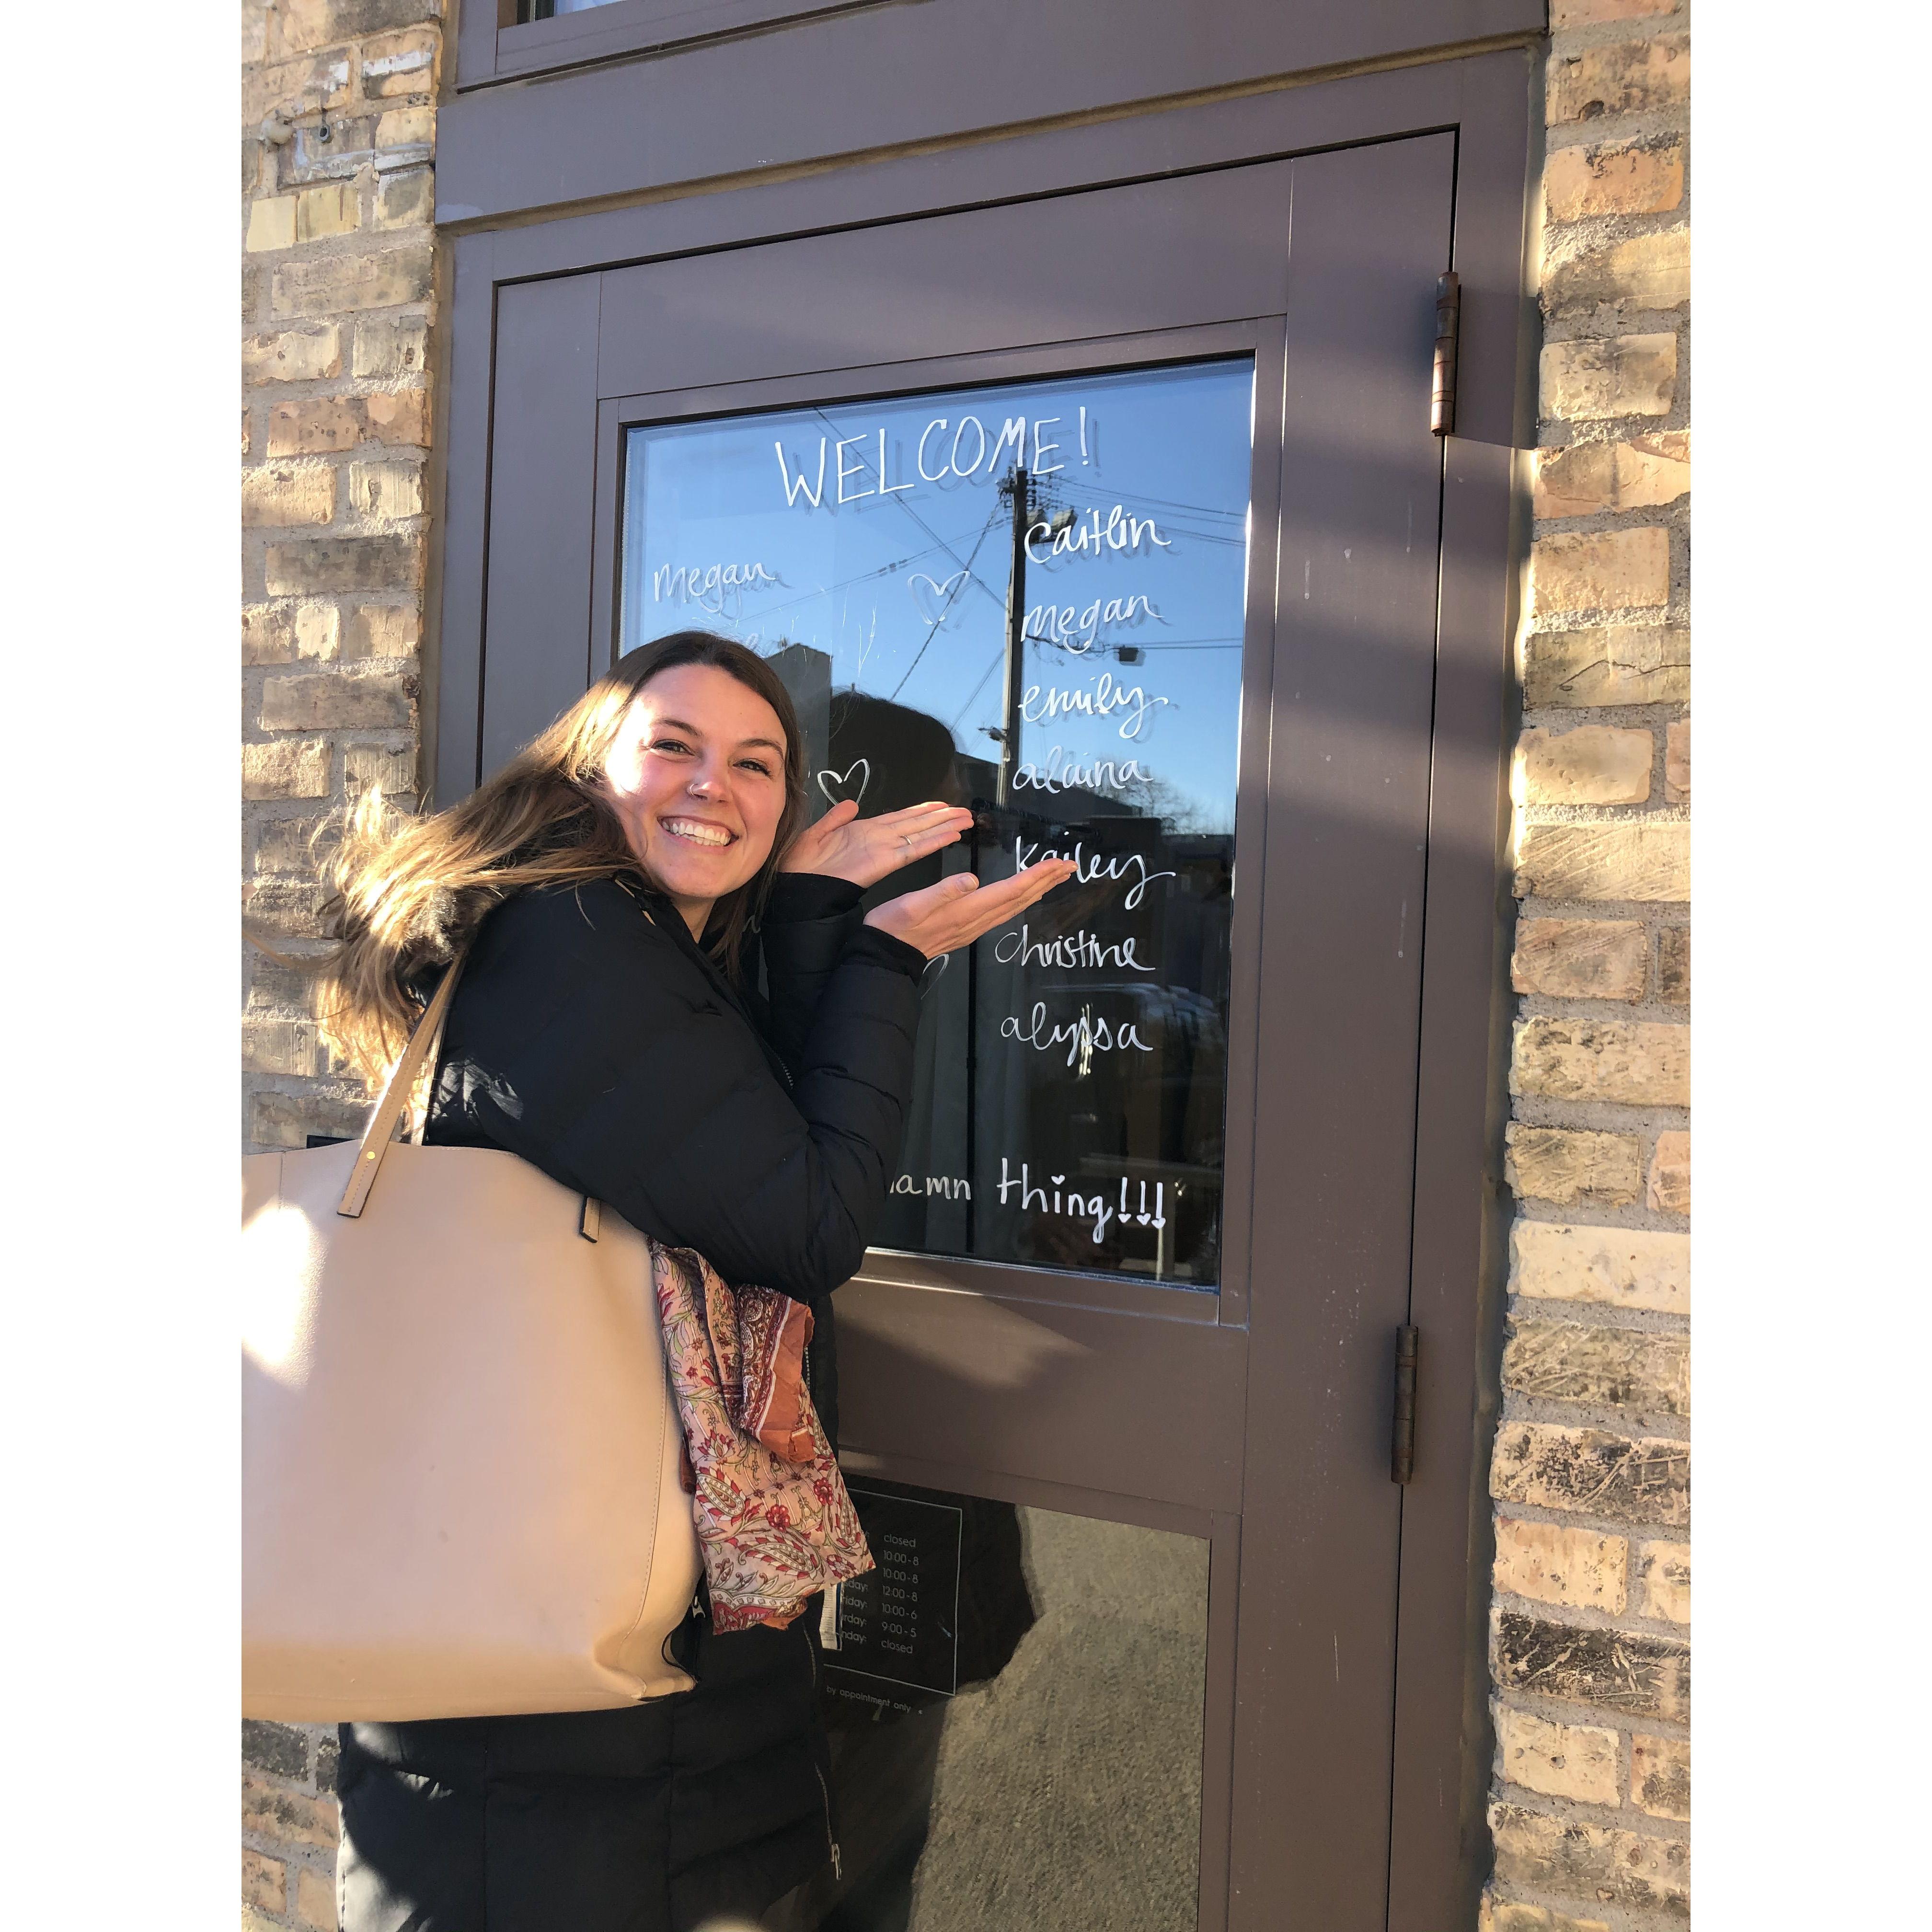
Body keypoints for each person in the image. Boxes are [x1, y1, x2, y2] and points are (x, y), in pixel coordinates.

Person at [311, 630, 1075, 1932]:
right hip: (562, 1761)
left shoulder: (620, 945)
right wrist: (890, 962)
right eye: (673, 746)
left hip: (566, 1721)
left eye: (757, 763)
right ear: (589, 763)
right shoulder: (576, 948)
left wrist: (813, 916)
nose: (713, 784)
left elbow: (730, 1131)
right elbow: (807, 1218)